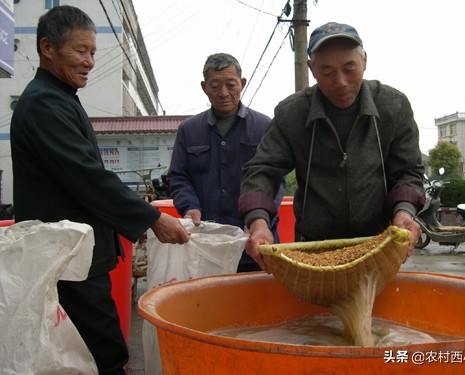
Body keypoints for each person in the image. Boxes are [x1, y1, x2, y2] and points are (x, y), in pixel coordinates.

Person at [10, 6, 190, 375]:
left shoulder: (60, 97)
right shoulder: (43, 103)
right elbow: (87, 176)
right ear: (48, 47)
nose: (89, 61)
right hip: (69, 262)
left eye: (93, 52)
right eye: (80, 51)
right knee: (105, 354)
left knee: (88, 353)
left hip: (75, 256)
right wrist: (153, 218)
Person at [238, 21, 425, 271]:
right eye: (327, 72)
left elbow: (408, 172)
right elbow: (261, 170)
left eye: (350, 68)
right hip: (313, 249)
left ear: (365, 61)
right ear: (312, 69)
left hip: (378, 245)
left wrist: (404, 212)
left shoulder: (393, 106)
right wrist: (258, 221)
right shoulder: (292, 114)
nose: (341, 82)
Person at [166, 53, 285, 273]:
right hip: (207, 246)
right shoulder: (189, 130)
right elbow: (179, 176)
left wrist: (259, 218)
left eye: (230, 85)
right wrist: (189, 206)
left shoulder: (264, 126)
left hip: (255, 243)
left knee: (256, 302)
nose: (223, 93)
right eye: (215, 86)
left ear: (242, 83)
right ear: (204, 87)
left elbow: (275, 178)